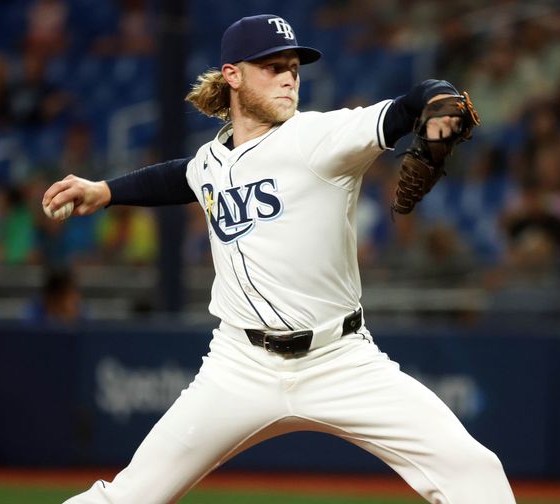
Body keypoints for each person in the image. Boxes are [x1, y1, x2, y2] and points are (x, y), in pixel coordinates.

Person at [43, 14, 516, 504]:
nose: (289, 76)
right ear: (233, 75)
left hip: (341, 359)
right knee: (129, 496)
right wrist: (105, 190)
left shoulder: (320, 138)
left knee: (474, 471)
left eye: (294, 66)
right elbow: (181, 177)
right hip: (239, 366)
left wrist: (438, 96)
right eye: (271, 66)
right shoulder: (211, 159)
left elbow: (409, 105)